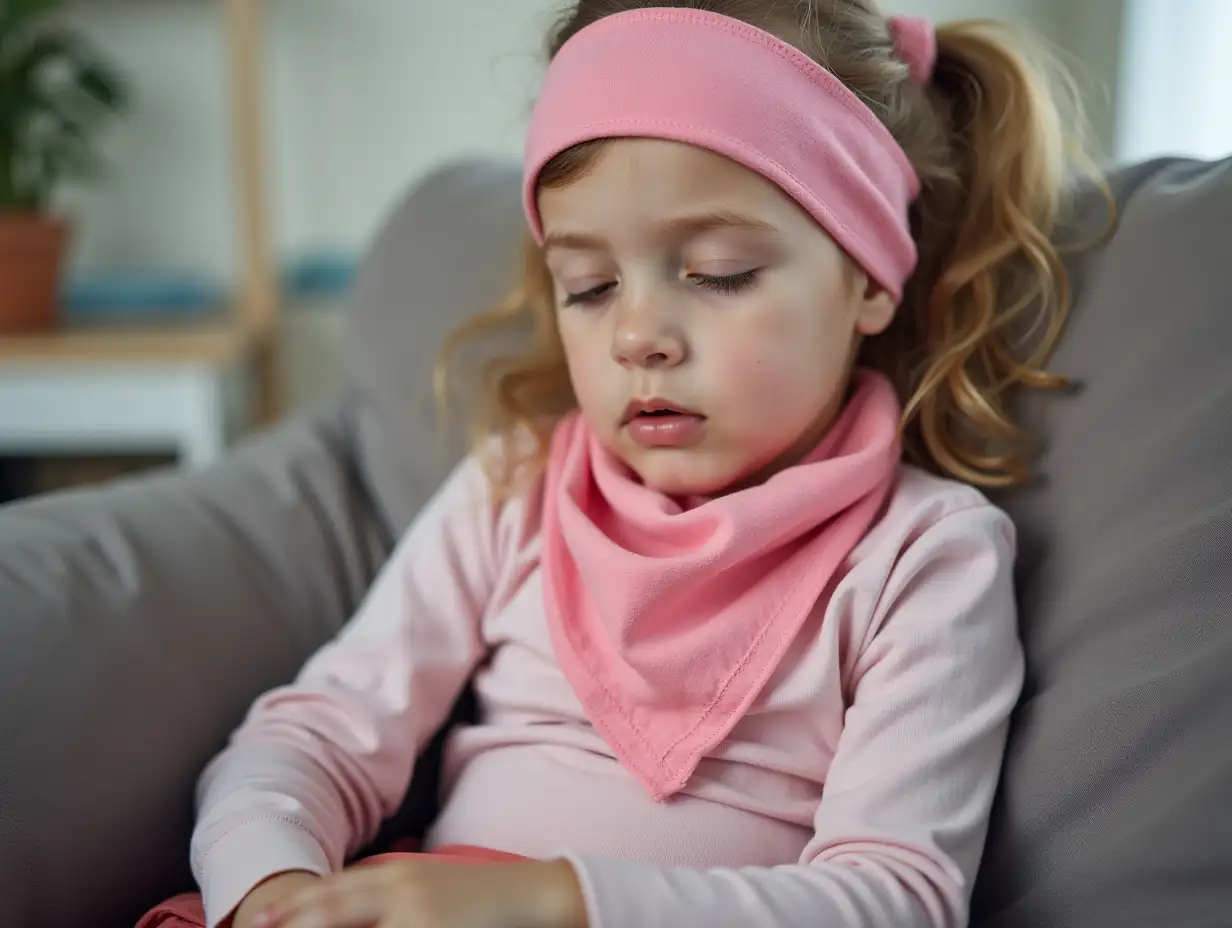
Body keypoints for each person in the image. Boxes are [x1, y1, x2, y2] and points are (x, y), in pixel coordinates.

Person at [137, 1, 1100, 926]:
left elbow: (896, 898)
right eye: (589, 287)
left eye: (720, 272)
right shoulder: (514, 488)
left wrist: (555, 902)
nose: (638, 334)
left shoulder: (925, 556)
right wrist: (271, 884)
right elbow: (311, 738)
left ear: (868, 279)